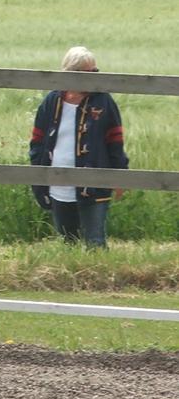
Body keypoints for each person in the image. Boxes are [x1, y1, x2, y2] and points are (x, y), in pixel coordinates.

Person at [29, 46, 129, 248]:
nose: (94, 76)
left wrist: (120, 175)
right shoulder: (52, 101)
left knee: (95, 241)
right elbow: (37, 140)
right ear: (72, 75)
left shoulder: (103, 101)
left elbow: (115, 141)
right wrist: (38, 172)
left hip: (94, 184)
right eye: (89, 73)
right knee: (68, 242)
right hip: (58, 183)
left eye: (95, 71)